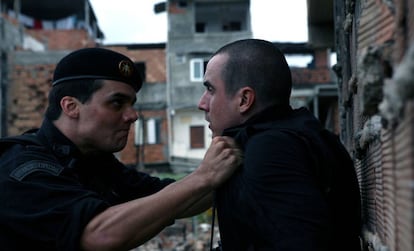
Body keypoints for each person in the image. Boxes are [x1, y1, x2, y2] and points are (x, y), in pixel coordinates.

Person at [0, 47, 242, 251]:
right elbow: (99, 234)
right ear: (71, 107)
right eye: (117, 103)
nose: (132, 115)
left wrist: (240, 162)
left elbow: (172, 198)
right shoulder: (23, 169)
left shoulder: (95, 162)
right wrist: (204, 176)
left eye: (131, 104)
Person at [198, 39, 361, 251]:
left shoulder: (270, 149)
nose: (202, 104)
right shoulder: (296, 135)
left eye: (210, 89)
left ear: (244, 100)